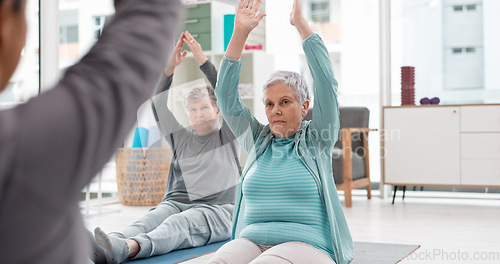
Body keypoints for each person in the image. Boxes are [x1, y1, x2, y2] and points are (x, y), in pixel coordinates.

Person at [0, 0, 182, 263]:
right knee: (156, 218)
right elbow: (148, 15)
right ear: (6, 15)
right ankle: (118, 245)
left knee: (181, 226)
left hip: (211, 209)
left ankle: (120, 246)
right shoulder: (19, 151)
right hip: (174, 202)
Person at [208, 0, 354, 263]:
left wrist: (301, 25)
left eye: (285, 102)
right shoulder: (256, 140)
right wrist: (239, 33)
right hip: (250, 238)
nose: (275, 110)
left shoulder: (318, 139)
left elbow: (326, 82)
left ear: (304, 106)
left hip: (308, 243)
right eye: (269, 103)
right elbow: (225, 98)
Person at [92, 31, 241, 264]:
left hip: (219, 210)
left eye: (203, 108)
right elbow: (159, 102)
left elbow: (228, 95)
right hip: (175, 202)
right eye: (192, 109)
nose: (198, 114)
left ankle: (127, 248)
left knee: (178, 224)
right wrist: (168, 70)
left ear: (217, 110)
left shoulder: (228, 134)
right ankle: (108, 243)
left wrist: (202, 60)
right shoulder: (180, 137)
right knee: (149, 221)